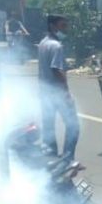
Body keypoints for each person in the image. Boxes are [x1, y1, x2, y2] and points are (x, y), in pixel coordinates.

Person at [37, 14, 80, 161]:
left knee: (48, 127)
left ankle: (51, 158)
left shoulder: (43, 43)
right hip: (56, 93)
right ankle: (67, 159)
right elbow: (57, 70)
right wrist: (66, 93)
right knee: (73, 126)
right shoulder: (56, 46)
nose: (65, 29)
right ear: (52, 26)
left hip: (44, 92)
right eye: (62, 26)